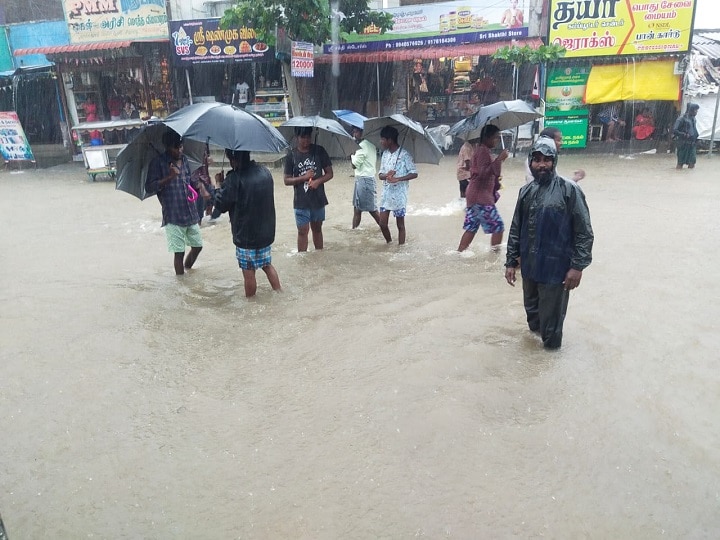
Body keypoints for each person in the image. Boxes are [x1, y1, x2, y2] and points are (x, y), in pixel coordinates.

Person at [504, 138, 594, 350]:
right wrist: (510, 261)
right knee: (533, 318)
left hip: (557, 269)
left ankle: (550, 362)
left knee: (552, 327)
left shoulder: (569, 190)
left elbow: (584, 232)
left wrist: (577, 267)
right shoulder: (525, 191)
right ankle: (534, 364)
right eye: (537, 160)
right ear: (531, 162)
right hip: (530, 267)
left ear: (555, 161)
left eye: (547, 160)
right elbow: (516, 227)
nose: (541, 165)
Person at [213, 149, 282, 297]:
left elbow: (221, 206)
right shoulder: (265, 172)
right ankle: (279, 292)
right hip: (265, 233)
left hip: (245, 236)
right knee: (267, 265)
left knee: (249, 273)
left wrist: (219, 184)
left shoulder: (233, 179)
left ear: (232, 159)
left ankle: (251, 303)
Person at [145, 130, 210, 275]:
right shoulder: (158, 163)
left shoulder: (185, 160)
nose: (180, 150)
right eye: (176, 147)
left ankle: (188, 269)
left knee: (198, 246)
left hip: (190, 212)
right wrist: (170, 176)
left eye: (181, 146)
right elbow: (149, 187)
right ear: (168, 147)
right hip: (173, 215)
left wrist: (201, 186)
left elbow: (190, 180)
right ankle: (181, 283)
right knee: (179, 252)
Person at [457, 125, 508, 252]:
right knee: (498, 227)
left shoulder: (482, 150)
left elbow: (490, 172)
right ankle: (494, 257)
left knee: (472, 227)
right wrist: (499, 159)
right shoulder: (482, 151)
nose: (497, 140)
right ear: (487, 137)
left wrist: (499, 162)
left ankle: (459, 253)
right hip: (480, 197)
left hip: (475, 195)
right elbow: (482, 173)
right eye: (495, 137)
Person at [283, 126, 334, 252]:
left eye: (308, 137)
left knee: (317, 229)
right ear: (296, 138)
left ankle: (319, 255)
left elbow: (330, 173)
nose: (306, 140)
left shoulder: (319, 151)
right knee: (302, 231)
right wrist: (303, 177)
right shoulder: (291, 155)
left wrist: (317, 181)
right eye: (302, 137)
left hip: (318, 199)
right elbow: (286, 180)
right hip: (301, 200)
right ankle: (302, 258)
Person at [378, 125, 418, 245]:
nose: (381, 142)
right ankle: (389, 243)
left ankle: (401, 248)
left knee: (400, 225)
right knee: (382, 223)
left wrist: (398, 179)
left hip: (399, 195)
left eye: (383, 139)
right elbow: (380, 175)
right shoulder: (384, 154)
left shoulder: (404, 155)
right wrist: (387, 176)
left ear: (390, 140)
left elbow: (414, 173)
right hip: (386, 194)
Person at [350, 125, 391, 242]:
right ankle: (354, 231)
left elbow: (354, 164)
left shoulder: (362, 146)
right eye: (353, 131)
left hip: (364, 180)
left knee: (372, 209)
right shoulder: (369, 144)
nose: (354, 133)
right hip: (362, 179)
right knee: (357, 208)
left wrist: (351, 154)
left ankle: (384, 229)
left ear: (361, 132)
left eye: (356, 131)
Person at [673, 103, 699, 169]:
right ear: (691, 110)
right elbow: (675, 130)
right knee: (680, 163)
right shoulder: (681, 119)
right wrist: (683, 134)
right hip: (683, 144)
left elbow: (693, 129)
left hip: (692, 144)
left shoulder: (693, 119)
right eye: (696, 110)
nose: (697, 112)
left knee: (692, 162)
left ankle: (689, 178)